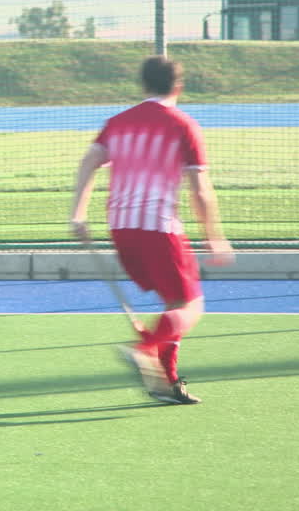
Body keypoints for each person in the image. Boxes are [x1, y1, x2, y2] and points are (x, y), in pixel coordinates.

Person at [69, 55, 234, 404]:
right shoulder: (183, 124)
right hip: (159, 229)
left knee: (173, 305)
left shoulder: (117, 122)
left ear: (142, 85)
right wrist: (214, 237)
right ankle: (144, 349)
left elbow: (89, 162)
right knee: (191, 307)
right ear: (179, 86)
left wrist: (78, 214)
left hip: (122, 229)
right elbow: (200, 189)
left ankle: (165, 383)